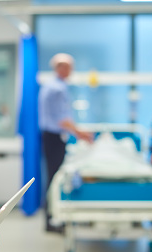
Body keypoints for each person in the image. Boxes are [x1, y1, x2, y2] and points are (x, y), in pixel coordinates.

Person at [38, 53, 92, 233]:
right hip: (54, 138)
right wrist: (81, 134)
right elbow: (63, 119)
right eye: (68, 67)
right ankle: (52, 221)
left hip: (50, 137)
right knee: (55, 179)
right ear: (60, 68)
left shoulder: (52, 86)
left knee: (52, 177)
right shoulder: (57, 89)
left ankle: (51, 219)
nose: (71, 71)